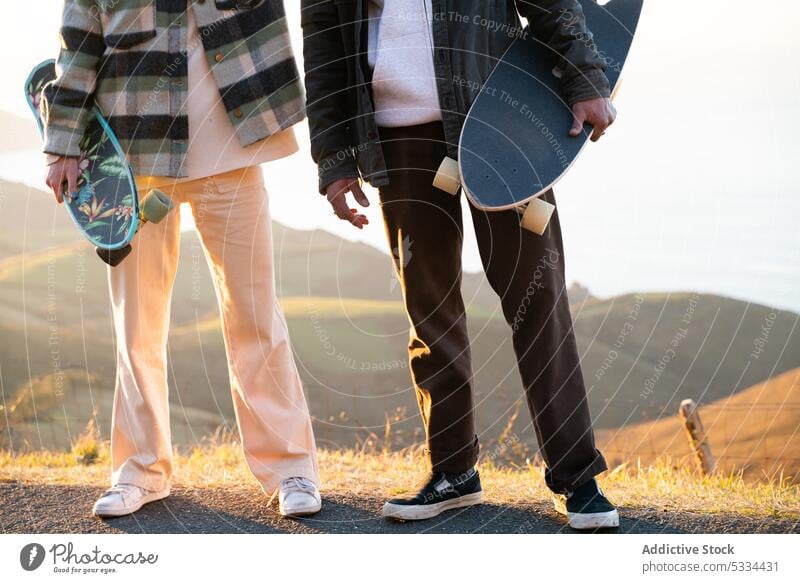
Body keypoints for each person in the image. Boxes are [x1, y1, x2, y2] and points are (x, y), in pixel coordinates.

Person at [301, 0, 618, 529]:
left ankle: (576, 475)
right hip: (396, 134)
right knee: (429, 308)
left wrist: (584, 76)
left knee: (537, 298)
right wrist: (332, 157)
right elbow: (323, 39)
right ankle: (453, 473)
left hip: (497, 116)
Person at [42, 0, 320, 519]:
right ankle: (139, 469)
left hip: (234, 146)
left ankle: (289, 467)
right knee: (137, 322)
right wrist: (63, 143)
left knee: (255, 314)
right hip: (133, 153)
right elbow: (78, 38)